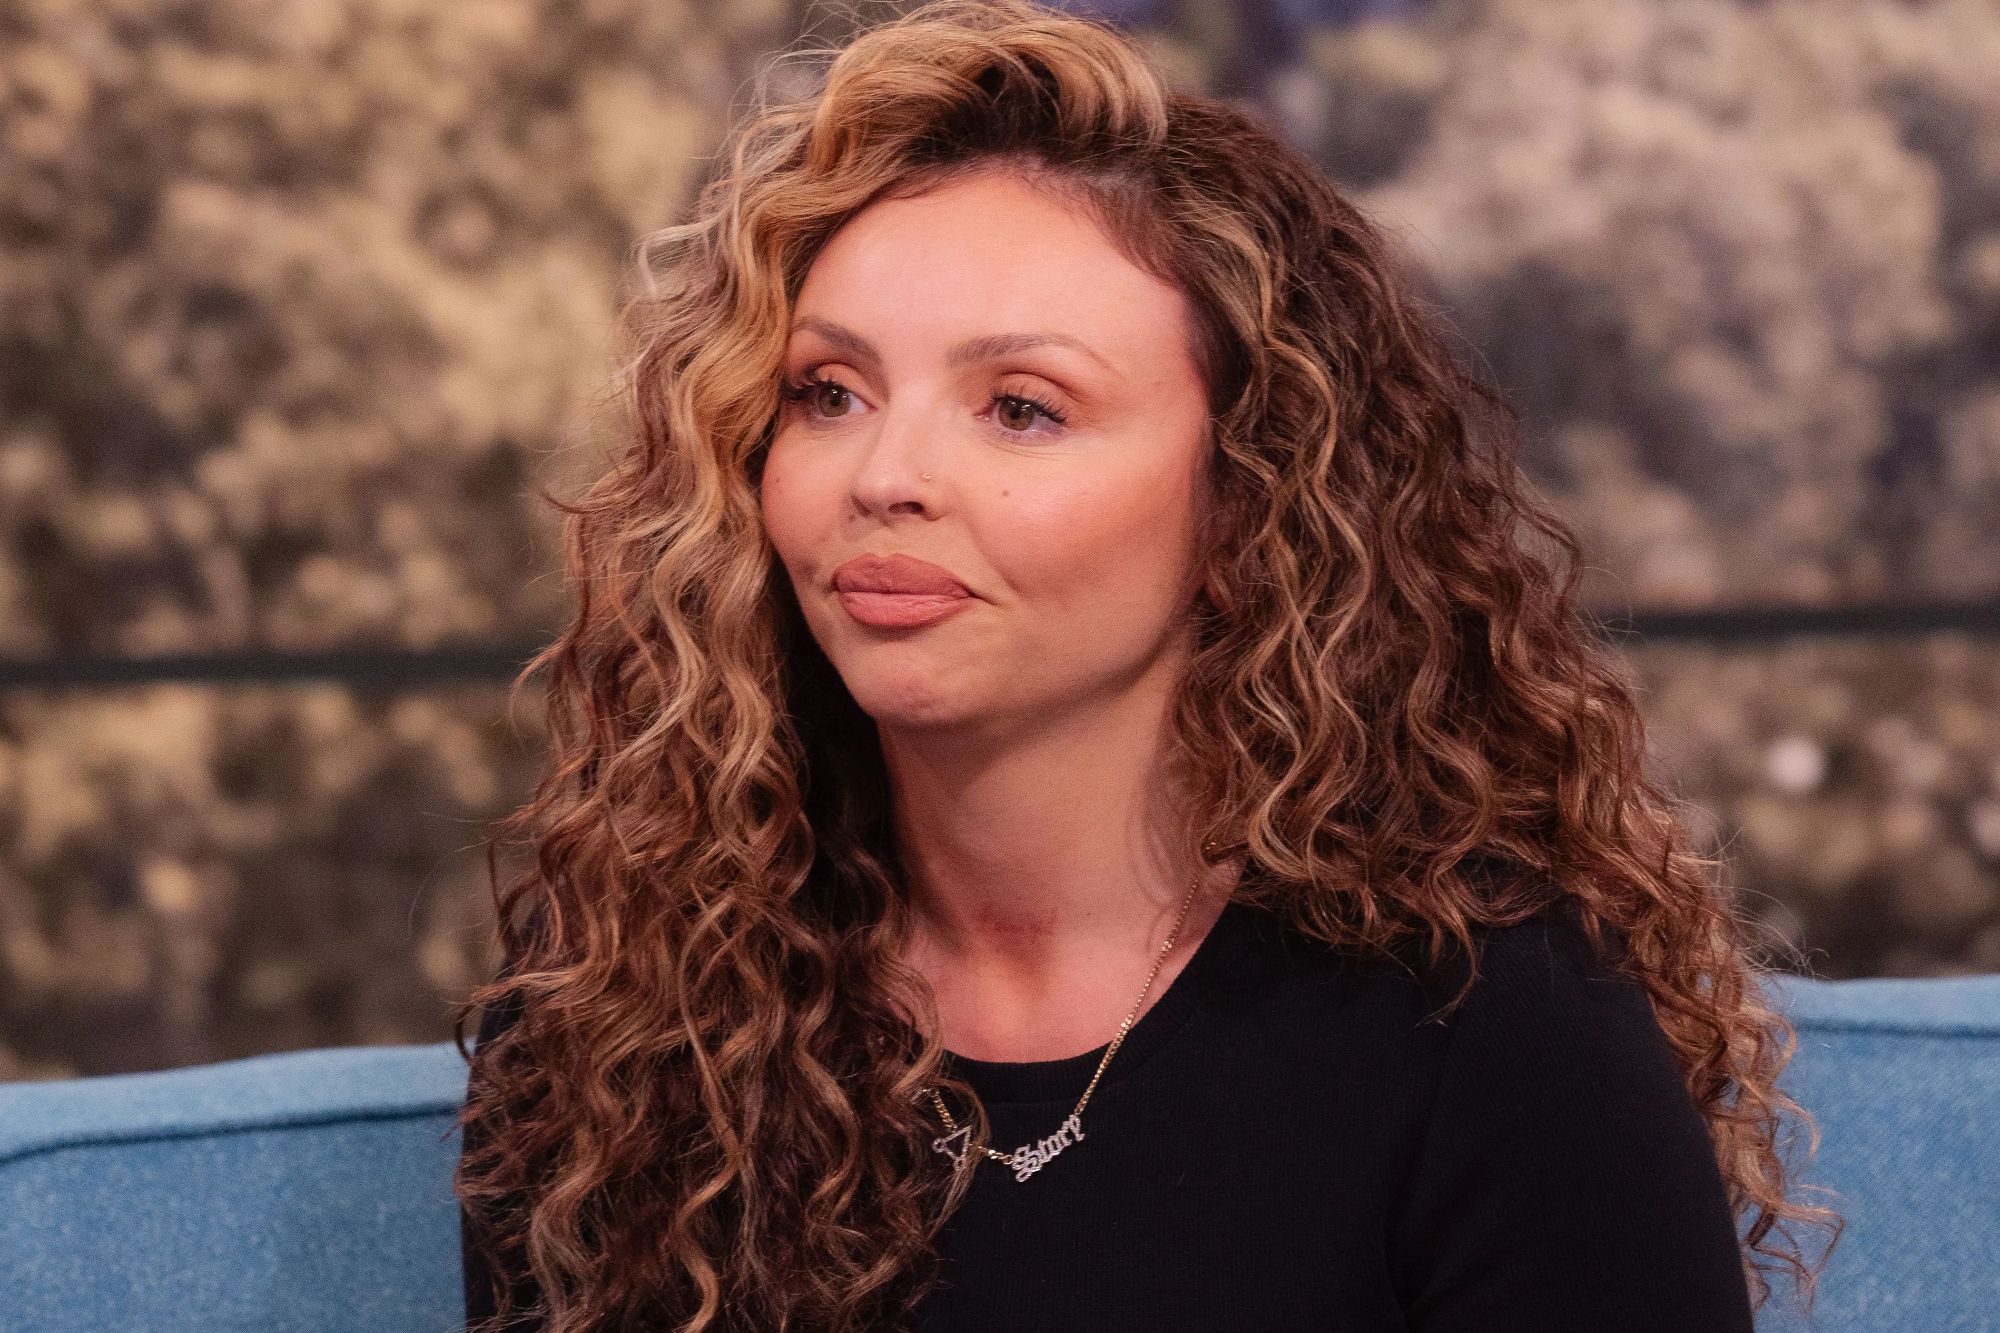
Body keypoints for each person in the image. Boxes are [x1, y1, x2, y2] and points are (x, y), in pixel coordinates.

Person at [453, 2, 1841, 1330]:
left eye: (1021, 408)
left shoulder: (1494, 1027)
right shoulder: (623, 1004)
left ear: (1247, 500)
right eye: (829, 393)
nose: (884, 475)